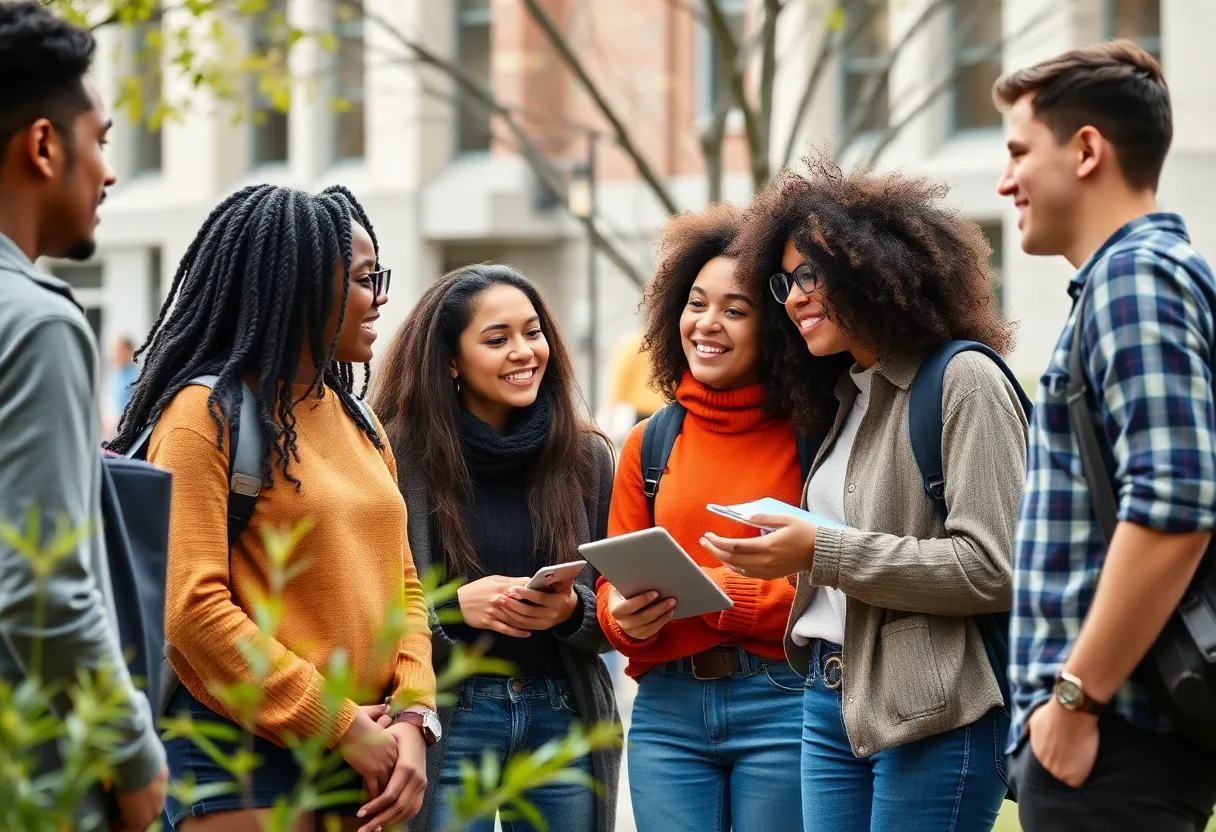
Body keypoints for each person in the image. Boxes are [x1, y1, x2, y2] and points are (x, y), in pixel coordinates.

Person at [704, 160, 1027, 832]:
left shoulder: (964, 380)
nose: (793, 297)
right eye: (785, 281)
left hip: (936, 710)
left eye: (811, 275)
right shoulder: (847, 394)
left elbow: (993, 567)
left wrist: (820, 550)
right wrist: (788, 548)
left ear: (878, 268)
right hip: (827, 702)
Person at [107, 184, 437, 832]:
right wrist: (338, 724)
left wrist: (417, 718)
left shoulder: (360, 420)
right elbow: (193, 611)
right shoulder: (204, 417)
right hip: (245, 760)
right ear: (306, 287)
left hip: (371, 756)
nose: (383, 297)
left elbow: (405, 588)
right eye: (367, 280)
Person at [995, 41, 1216, 830]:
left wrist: (1073, 700)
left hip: (1112, 741)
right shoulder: (1128, 282)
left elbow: (1175, 507)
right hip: (1110, 742)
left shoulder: (1136, 279)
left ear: (1087, 148)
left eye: (1020, 151)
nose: (1005, 179)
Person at [369, 264, 620, 832]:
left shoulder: (586, 458)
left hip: (564, 713)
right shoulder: (396, 453)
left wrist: (571, 611)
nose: (524, 352)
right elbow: (370, 606)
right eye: (497, 339)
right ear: (451, 359)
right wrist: (453, 610)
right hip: (452, 714)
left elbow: (615, 612)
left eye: (533, 334)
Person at [598, 204, 824, 832]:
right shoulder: (650, 442)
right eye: (696, 303)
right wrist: (623, 617)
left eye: (735, 310)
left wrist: (724, 597)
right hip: (667, 710)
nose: (707, 324)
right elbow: (610, 584)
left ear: (774, 328)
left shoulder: (814, 439)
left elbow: (836, 578)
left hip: (782, 702)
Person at [0, 4, 167, 830]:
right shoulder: (37, 322)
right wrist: (135, 758)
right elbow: (43, 586)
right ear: (42, 146)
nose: (107, 173)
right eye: (99, 141)